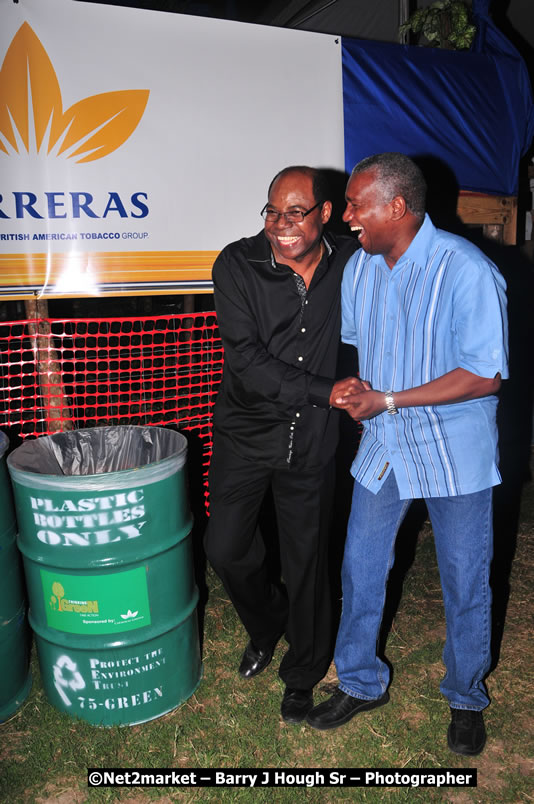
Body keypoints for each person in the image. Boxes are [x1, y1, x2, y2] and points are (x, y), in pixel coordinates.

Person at [306, 153, 508, 757]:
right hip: (386, 446)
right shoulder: (363, 269)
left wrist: (388, 398)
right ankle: (362, 682)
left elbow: (485, 374)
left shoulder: (466, 269)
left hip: (454, 450)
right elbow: (352, 347)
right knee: (361, 567)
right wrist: (348, 388)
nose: (346, 218)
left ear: (396, 207)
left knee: (465, 580)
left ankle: (466, 696)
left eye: (355, 205)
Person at [204, 166, 359, 724]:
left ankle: (303, 670)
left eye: (296, 212)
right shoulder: (238, 263)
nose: (281, 224)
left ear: (325, 213)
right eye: (273, 211)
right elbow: (245, 361)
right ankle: (268, 622)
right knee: (224, 547)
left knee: (308, 560)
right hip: (246, 431)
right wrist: (328, 391)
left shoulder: (352, 261)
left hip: (312, 437)